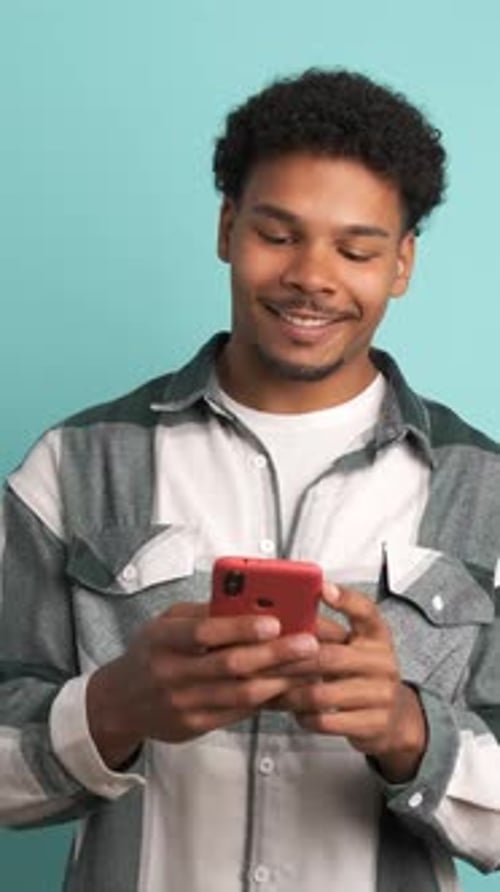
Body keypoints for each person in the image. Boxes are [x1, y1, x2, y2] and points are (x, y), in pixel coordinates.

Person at [1, 68, 499, 892]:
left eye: (356, 248)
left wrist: (409, 731)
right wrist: (115, 709)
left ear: (401, 264)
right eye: (279, 234)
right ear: (228, 228)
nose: (312, 274)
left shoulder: (482, 490)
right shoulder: (73, 467)